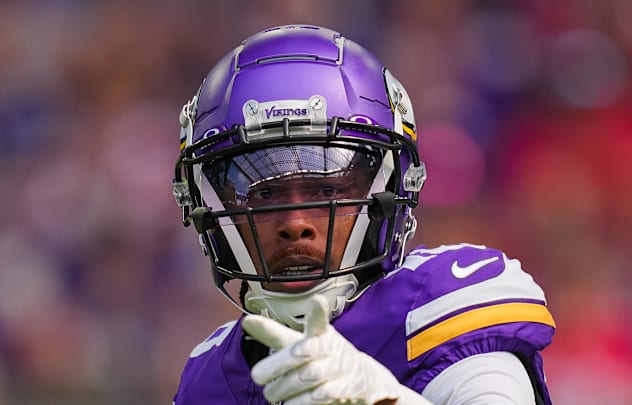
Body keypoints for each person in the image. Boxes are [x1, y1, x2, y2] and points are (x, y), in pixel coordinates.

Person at [171, 24, 556, 404]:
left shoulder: (436, 309)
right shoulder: (210, 381)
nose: (295, 224)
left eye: (326, 189)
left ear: (391, 189)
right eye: (265, 194)